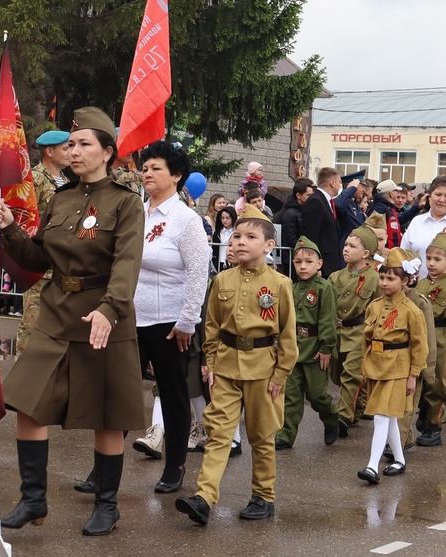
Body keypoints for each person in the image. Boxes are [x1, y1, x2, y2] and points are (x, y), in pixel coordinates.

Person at [0, 108, 145, 537]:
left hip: (103, 316)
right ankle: (33, 499)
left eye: (83, 145)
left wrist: (110, 311)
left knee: (107, 416)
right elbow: (41, 258)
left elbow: (127, 265)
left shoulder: (126, 203)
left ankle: (107, 506)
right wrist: (11, 230)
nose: (73, 152)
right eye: (71, 145)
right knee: (27, 402)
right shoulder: (62, 197)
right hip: (58, 311)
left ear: (107, 152)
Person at [176, 213, 297, 525]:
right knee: (218, 434)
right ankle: (204, 498)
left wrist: (281, 374)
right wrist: (211, 364)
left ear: (270, 245)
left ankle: (263, 496)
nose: (240, 242)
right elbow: (212, 327)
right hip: (228, 368)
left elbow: (287, 335)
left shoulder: (280, 284)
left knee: (261, 436)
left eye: (250, 237)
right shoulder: (222, 281)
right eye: (237, 236)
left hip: (264, 371)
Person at [123, 139, 208, 493]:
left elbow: (198, 271)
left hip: (170, 323)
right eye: (144, 168)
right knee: (120, 393)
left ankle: (174, 465)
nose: (147, 174)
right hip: (130, 318)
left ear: (176, 175)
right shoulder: (135, 213)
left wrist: (187, 320)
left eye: (156, 168)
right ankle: (104, 467)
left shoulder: (185, 220)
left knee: (173, 394)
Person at [356, 247, 427, 484]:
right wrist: (363, 366)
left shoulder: (411, 311)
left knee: (381, 416)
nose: (385, 282)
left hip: (398, 368)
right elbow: (366, 339)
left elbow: (420, 346)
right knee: (390, 418)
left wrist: (413, 375)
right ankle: (399, 459)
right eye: (382, 276)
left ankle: (372, 466)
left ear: (405, 281)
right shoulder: (374, 305)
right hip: (376, 365)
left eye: (391, 278)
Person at [273, 235, 338, 449]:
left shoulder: (323, 288)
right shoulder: (291, 288)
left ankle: (331, 420)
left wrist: (327, 347)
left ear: (319, 264)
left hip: (316, 350)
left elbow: (327, 320)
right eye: (298, 262)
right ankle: (286, 434)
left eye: (309, 262)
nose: (303, 267)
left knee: (317, 395)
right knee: (291, 396)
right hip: (294, 349)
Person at [18, 129, 71, 352]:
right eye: (67, 148)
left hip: (62, 265)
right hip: (41, 265)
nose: (72, 152)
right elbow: (25, 220)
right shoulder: (35, 179)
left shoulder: (67, 181)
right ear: (50, 151)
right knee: (33, 324)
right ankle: (22, 380)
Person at [328, 221, 382, 436]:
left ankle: (342, 416)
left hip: (361, 333)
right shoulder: (335, 277)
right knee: (338, 376)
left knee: (351, 374)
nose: (346, 249)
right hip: (338, 333)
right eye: (346, 245)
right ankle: (359, 405)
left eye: (352, 246)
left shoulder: (376, 278)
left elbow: (379, 310)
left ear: (366, 253)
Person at [415, 233, 446, 446]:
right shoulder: (419, 285)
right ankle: (424, 413)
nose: (431, 264)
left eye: (437, 259)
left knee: (437, 384)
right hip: (420, 338)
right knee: (420, 381)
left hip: (441, 339)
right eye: (428, 259)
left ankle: (434, 425)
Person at [398, 174, 446, 278]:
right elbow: (403, 256)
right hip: (418, 289)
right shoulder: (417, 222)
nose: (441, 199)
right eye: (438, 194)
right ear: (429, 196)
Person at [278, 178, 312, 250]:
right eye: (308, 195)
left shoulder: (306, 210)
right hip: (292, 256)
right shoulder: (290, 214)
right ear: (298, 195)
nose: (312, 198)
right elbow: (290, 239)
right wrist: (307, 245)